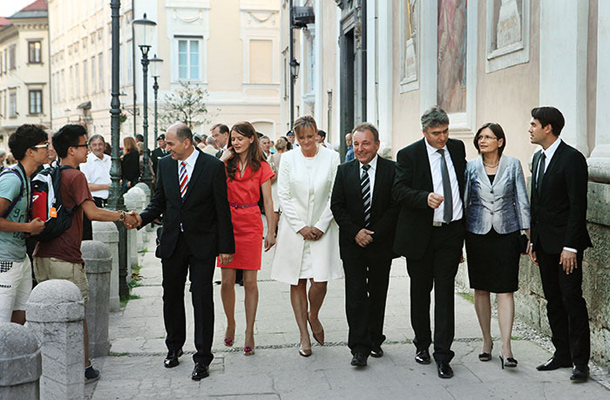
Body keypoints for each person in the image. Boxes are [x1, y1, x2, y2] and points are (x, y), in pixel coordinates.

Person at [33, 124, 138, 383]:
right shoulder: (76, 176)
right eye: (84, 145)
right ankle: (83, 367)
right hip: (66, 257)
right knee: (76, 315)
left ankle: (52, 366)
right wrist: (123, 216)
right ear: (71, 149)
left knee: (48, 316)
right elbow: (93, 213)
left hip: (42, 254)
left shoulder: (53, 172)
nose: (89, 150)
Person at [132, 122, 235, 381]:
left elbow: (222, 210)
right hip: (172, 243)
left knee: (201, 298)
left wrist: (226, 248)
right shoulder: (166, 165)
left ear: (186, 142)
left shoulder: (212, 167)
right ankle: (174, 347)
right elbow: (159, 202)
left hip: (203, 244)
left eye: (170, 143)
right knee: (172, 296)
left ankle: (202, 358)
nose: (167, 148)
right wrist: (140, 219)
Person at [392, 106, 466, 379]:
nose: (442, 138)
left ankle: (444, 355)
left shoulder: (457, 149)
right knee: (420, 292)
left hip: (450, 233)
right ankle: (422, 343)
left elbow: (461, 184)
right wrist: (424, 198)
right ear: (424, 132)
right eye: (436, 133)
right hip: (421, 235)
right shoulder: (409, 154)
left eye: (445, 131)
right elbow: (398, 190)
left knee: (445, 293)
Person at [527, 107, 592, 382]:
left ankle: (580, 362)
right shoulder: (537, 158)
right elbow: (537, 203)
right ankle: (561, 353)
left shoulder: (572, 159)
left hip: (566, 248)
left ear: (548, 128)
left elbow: (578, 207)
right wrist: (532, 240)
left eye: (533, 124)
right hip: (543, 244)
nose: (529, 128)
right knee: (553, 300)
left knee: (571, 300)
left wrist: (571, 247)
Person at [271, 115, 343, 357]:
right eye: (301, 138)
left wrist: (321, 224)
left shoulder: (332, 157)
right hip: (295, 231)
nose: (306, 142)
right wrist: (301, 226)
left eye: (310, 137)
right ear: (295, 138)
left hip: (323, 228)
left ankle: (313, 315)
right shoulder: (289, 158)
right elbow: (284, 195)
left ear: (317, 135)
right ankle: (303, 334)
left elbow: (336, 193)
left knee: (320, 281)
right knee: (298, 280)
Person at [331, 122, 398, 367]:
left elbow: (395, 206)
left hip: (381, 244)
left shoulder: (392, 170)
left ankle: (375, 339)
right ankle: (359, 347)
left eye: (366, 143)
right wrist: (356, 232)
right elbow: (337, 206)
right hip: (353, 244)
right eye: (356, 144)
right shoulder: (344, 170)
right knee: (356, 294)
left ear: (377, 145)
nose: (360, 149)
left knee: (378, 292)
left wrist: (375, 234)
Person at [463, 123, 530, 369]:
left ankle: (506, 347)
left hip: (507, 234)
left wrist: (528, 236)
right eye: (480, 137)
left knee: (505, 290)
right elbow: (464, 202)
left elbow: (522, 201)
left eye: (488, 137)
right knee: (480, 289)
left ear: (500, 141)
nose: (483, 140)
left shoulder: (512, 165)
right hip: (477, 233)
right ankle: (486, 341)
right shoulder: (470, 167)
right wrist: (459, 241)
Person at [218, 121, 276, 356]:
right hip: (228, 222)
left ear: (252, 139)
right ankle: (231, 321)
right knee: (227, 280)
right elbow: (209, 182)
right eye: (233, 138)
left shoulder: (261, 166)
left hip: (251, 221)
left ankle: (249, 330)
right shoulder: (224, 165)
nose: (236, 142)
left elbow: (269, 201)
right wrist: (222, 159)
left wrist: (271, 230)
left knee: (251, 282)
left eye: (240, 138)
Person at [0, 125, 47, 324]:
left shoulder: (26, 178)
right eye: (44, 145)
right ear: (30, 151)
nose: (48, 149)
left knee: (21, 313)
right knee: (3, 321)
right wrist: (27, 228)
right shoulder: (12, 179)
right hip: (5, 260)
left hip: (20, 257)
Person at [80, 134, 112, 240]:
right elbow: (86, 186)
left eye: (100, 144)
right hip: (94, 201)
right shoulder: (86, 162)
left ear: (104, 146)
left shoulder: (110, 159)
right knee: (94, 233)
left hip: (110, 201)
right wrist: (106, 186)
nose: (98, 147)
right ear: (90, 147)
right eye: (94, 145)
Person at [268, 137, 288, 218]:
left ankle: (273, 228)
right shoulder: (287, 157)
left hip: (274, 184)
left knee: (275, 207)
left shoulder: (271, 157)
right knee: (284, 207)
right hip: (285, 183)